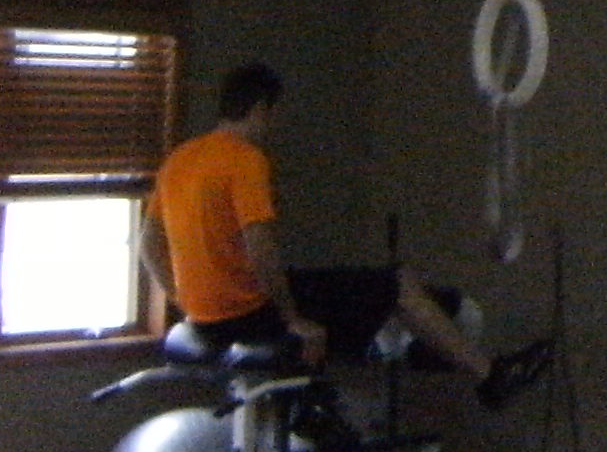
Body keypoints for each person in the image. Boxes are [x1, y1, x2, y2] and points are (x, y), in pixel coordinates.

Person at [144, 63, 550, 411]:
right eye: (272, 115)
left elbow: (148, 246)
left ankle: (403, 342)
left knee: (347, 286)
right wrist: (292, 320)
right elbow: (261, 249)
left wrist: (184, 300)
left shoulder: (179, 160)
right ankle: (489, 375)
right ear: (260, 109)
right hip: (253, 313)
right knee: (396, 284)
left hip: (209, 318)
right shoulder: (245, 160)